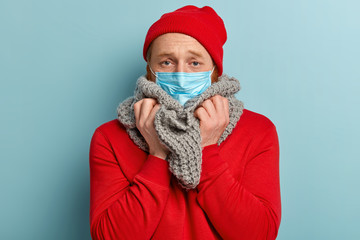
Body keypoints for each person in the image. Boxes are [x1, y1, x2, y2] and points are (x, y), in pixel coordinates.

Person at [89, 5, 281, 240]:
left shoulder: (257, 131)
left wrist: (207, 147)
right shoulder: (110, 137)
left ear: (214, 71)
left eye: (195, 63)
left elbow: (259, 235)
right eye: (167, 62)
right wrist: (157, 154)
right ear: (150, 71)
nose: (180, 74)